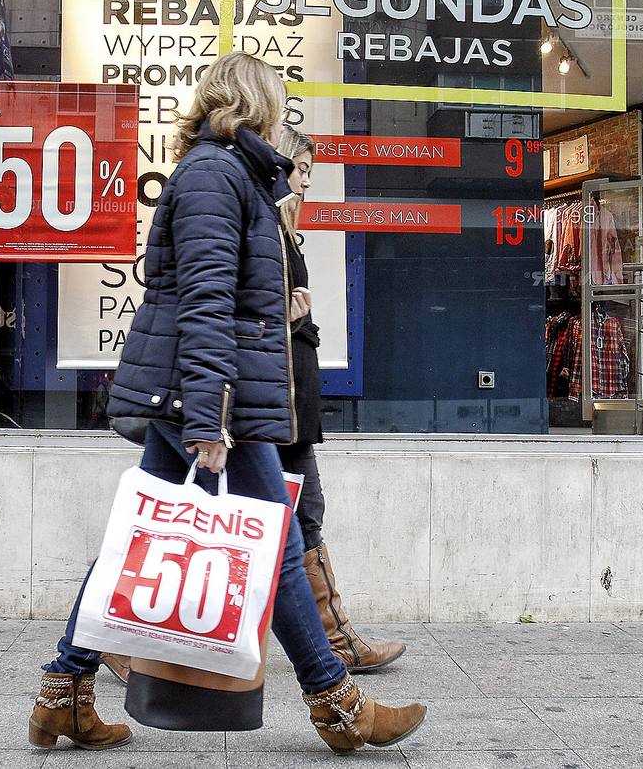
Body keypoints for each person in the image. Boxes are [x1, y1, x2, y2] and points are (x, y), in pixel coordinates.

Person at [28, 52, 427, 755]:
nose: (283, 118)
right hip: (207, 399)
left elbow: (221, 292)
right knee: (276, 543)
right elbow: (205, 301)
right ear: (254, 103)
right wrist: (211, 415)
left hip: (202, 393)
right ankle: (339, 705)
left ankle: (64, 691)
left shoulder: (230, 173)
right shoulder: (216, 174)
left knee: (137, 540)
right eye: (278, 103)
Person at [273, 125, 407, 673]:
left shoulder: (281, 230)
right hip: (270, 400)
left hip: (284, 398)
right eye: (302, 170)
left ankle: (335, 638)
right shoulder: (262, 223)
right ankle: (336, 641)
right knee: (295, 515)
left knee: (296, 516)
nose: (307, 183)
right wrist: (284, 314)